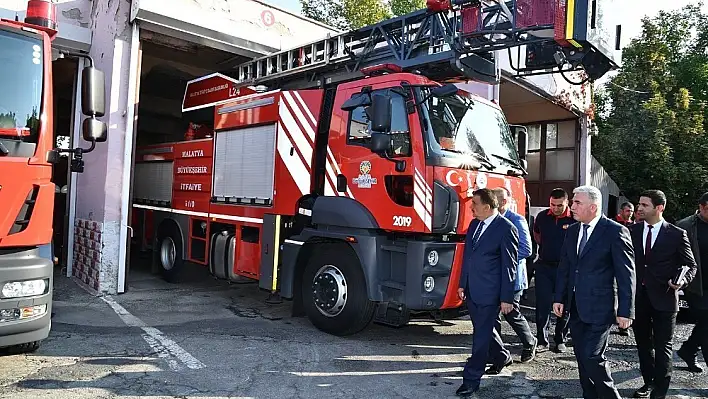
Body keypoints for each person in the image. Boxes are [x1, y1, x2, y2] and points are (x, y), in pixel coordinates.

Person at [553, 185, 636, 399]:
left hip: (601, 307)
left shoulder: (616, 231)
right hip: (576, 306)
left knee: (592, 356)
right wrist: (559, 297)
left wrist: (626, 310)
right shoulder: (572, 230)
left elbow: (626, 275)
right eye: (573, 202)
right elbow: (566, 266)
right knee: (581, 357)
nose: (572, 206)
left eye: (577, 202)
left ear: (593, 206)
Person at [630, 190, 697, 398]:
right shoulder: (631, 230)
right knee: (643, 345)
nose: (639, 208)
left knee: (663, 347)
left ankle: (660, 390)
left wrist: (681, 281)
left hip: (665, 299)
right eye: (639, 204)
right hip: (638, 299)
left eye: (644, 205)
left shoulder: (676, 234)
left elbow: (691, 265)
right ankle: (648, 383)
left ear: (660, 208)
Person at [456, 188, 519, 397]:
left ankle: (471, 378)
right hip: (473, 289)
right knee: (485, 329)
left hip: (491, 293)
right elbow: (468, 257)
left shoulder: (506, 228)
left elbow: (509, 267)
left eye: (474, 203)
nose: (471, 207)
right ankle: (501, 356)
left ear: (487, 205)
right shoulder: (474, 225)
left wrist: (507, 297)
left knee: (480, 336)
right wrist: (462, 283)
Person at [488, 187, 537, 364]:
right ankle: (496, 352)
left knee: (511, 312)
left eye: (495, 198)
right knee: (492, 314)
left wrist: (498, 259)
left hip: (513, 278)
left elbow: (526, 249)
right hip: (494, 278)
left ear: (503, 202)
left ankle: (530, 342)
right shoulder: (490, 220)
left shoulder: (516, 220)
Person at [532, 188, 574, 353]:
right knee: (542, 305)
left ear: (567, 202)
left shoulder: (574, 219)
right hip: (544, 266)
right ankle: (542, 340)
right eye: (552, 205)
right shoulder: (542, 217)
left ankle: (560, 339)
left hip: (565, 269)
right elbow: (537, 236)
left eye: (559, 205)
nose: (555, 208)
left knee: (564, 305)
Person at [676, 191, 708, 373]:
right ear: (702, 207)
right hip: (696, 286)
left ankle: (689, 350)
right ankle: (689, 350)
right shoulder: (685, 226)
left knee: (705, 326)